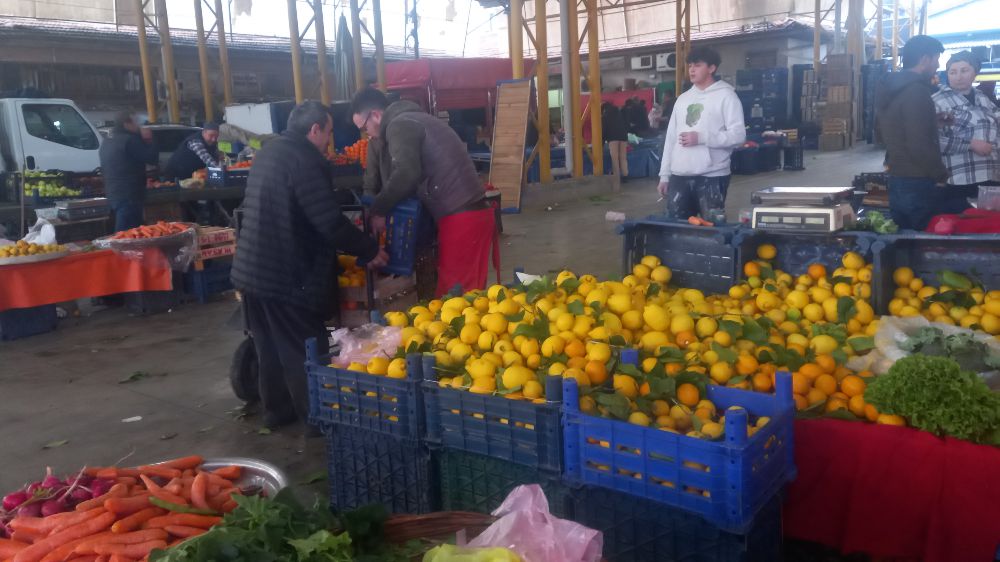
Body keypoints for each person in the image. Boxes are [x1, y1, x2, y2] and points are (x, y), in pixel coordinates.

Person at [231, 101, 388, 432]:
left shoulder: (271, 151)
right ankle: (318, 419)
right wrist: (368, 249)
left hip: (252, 267)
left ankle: (277, 412)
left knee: (268, 344)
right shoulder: (304, 159)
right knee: (303, 346)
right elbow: (328, 221)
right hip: (286, 272)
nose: (330, 140)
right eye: (328, 132)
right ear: (314, 130)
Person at [351, 87, 497, 297]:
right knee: (465, 298)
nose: (367, 134)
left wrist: (379, 210)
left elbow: (407, 172)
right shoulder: (415, 118)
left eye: (365, 127)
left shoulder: (399, 125)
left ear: (376, 115)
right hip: (468, 213)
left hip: (462, 217)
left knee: (456, 301)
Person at [656, 47, 746, 221]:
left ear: (711, 68)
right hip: (679, 175)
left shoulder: (727, 96)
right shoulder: (682, 100)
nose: (691, 70)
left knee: (711, 228)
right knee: (677, 228)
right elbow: (671, 139)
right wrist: (664, 175)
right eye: (690, 65)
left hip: (712, 176)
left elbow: (738, 136)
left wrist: (702, 138)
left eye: (697, 65)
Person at [874, 35, 949, 231]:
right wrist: (940, 174)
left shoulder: (890, 88)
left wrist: (932, 122)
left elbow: (886, 131)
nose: (937, 65)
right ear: (925, 59)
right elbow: (918, 144)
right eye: (936, 59)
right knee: (923, 241)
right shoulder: (917, 91)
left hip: (897, 178)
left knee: (903, 241)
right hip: (918, 182)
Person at [932, 51, 1000, 209]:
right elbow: (932, 140)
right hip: (959, 180)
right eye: (953, 72)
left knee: (988, 225)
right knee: (963, 224)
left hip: (991, 176)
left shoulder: (982, 98)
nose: (958, 76)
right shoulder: (938, 102)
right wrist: (970, 144)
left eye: (964, 70)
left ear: (975, 73)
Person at [98, 111, 158, 231]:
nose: (138, 125)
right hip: (130, 193)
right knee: (127, 233)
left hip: (113, 192)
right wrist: (149, 140)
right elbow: (152, 158)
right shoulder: (129, 140)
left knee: (125, 230)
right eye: (135, 122)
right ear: (126, 123)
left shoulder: (107, 140)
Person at [602, 102, 629, 182]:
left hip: (612, 138)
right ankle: (625, 175)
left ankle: (617, 177)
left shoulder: (605, 116)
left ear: (604, 109)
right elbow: (627, 125)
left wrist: (602, 142)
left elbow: (604, 130)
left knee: (615, 158)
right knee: (623, 157)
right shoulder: (620, 114)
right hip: (623, 137)